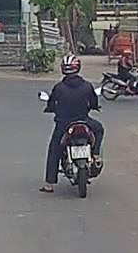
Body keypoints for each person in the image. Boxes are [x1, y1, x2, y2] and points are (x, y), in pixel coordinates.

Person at [41, 54, 105, 193]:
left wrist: (50, 108)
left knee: (55, 149)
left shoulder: (59, 87)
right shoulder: (87, 86)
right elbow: (94, 102)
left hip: (64, 124)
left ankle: (49, 183)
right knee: (99, 129)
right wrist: (94, 106)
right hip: (84, 121)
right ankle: (95, 154)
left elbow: (51, 103)